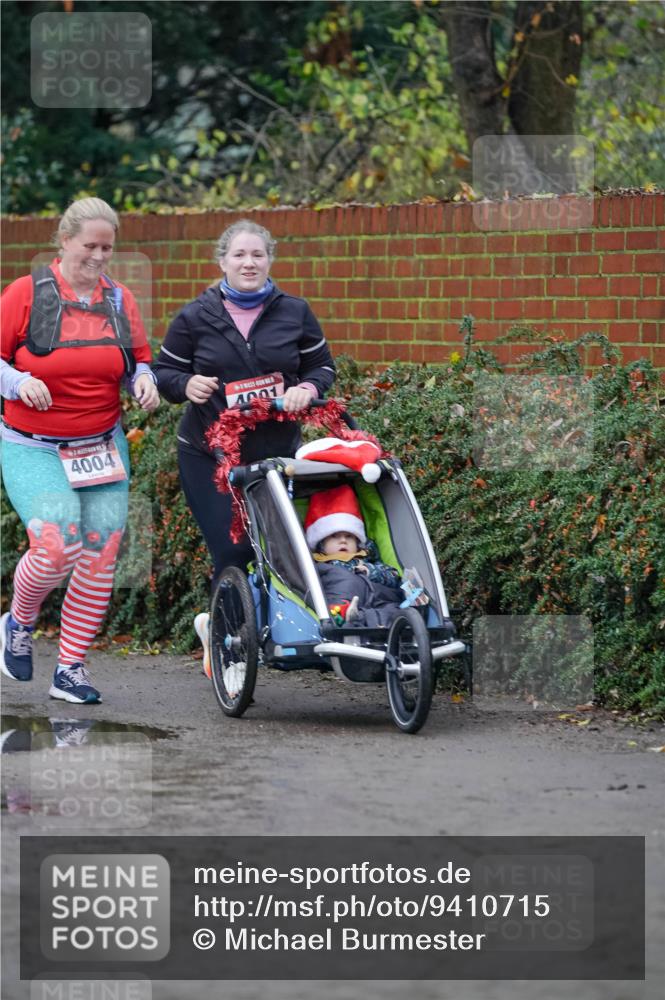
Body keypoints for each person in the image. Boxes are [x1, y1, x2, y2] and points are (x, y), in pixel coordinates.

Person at [152, 219, 335, 675]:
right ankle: (230, 650)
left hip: (275, 457)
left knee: (277, 551)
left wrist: (308, 390)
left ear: (270, 260)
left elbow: (322, 367)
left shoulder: (295, 311)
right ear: (222, 262)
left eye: (257, 255)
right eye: (239, 255)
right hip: (209, 455)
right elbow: (162, 374)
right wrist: (186, 383)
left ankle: (245, 627)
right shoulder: (195, 316)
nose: (249, 262)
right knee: (234, 552)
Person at [0, 197, 159, 704]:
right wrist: (18, 382)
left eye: (107, 248)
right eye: (89, 245)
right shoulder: (25, 294)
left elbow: (138, 361)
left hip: (102, 446)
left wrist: (146, 382)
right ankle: (18, 621)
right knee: (56, 545)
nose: (98, 256)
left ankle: (70, 668)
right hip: (34, 446)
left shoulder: (119, 299)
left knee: (100, 552)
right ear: (64, 240)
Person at [304, 485, 422, 628]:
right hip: (342, 596)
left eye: (349, 536)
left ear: (358, 543)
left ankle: (399, 621)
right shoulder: (319, 564)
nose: (343, 541)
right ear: (321, 544)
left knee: (395, 605)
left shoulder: (365, 560)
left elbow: (393, 575)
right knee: (344, 584)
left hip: (376, 599)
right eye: (335, 536)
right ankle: (347, 617)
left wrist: (370, 570)